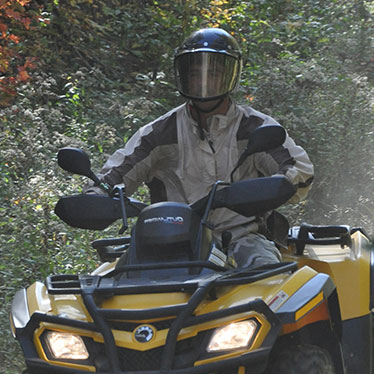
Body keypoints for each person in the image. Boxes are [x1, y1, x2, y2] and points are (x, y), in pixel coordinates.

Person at [85, 28, 313, 268]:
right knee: (116, 279)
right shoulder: (159, 132)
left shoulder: (255, 127)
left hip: (241, 237)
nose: (204, 81)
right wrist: (93, 197)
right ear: (183, 75)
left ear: (230, 75)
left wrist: (266, 189)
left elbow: (300, 169)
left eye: (213, 73)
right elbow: (115, 175)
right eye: (195, 73)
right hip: (170, 240)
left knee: (269, 277)